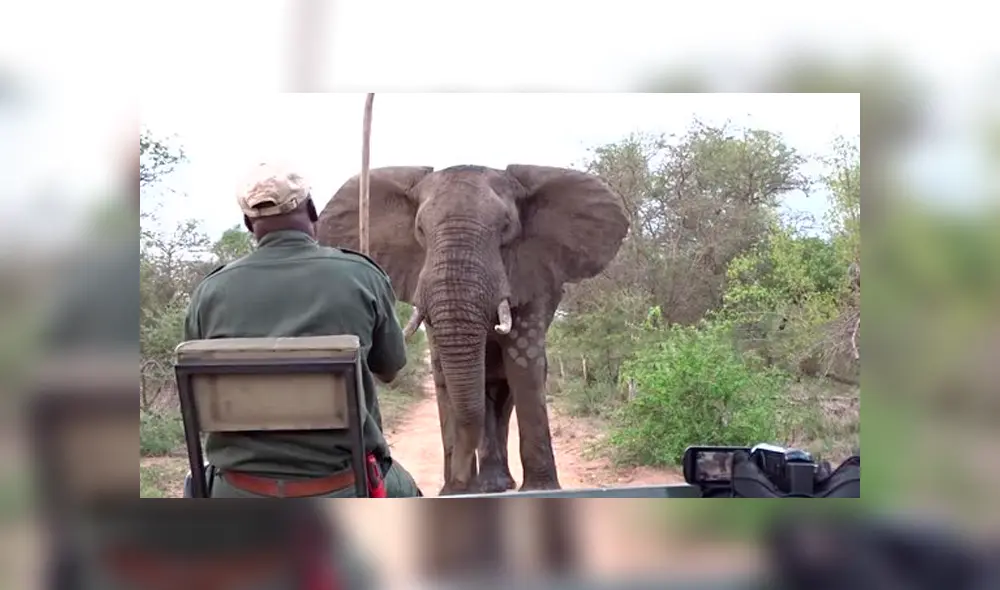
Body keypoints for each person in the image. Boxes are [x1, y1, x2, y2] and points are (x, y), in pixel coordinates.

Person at [183, 163, 422, 497]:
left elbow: (196, 389)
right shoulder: (361, 275)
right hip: (345, 486)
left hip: (236, 490)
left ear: (248, 224)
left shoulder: (208, 293)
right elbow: (390, 369)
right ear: (312, 210)